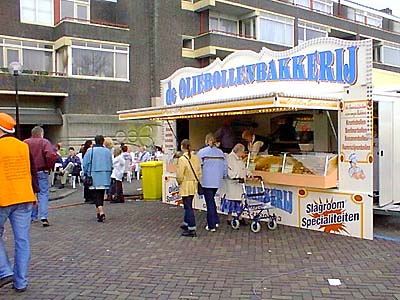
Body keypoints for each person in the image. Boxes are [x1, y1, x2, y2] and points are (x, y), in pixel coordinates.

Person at [0, 113, 38, 292]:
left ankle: (4, 270)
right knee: (22, 240)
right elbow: (33, 171)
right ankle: (20, 282)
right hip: (24, 197)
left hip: (3, 198)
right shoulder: (23, 146)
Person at [24, 126, 56, 227]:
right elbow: (50, 155)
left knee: (31, 194)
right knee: (43, 193)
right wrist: (49, 166)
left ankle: (32, 216)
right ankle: (43, 216)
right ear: (41, 134)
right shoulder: (44, 142)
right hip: (42, 170)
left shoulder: (25, 143)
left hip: (29, 172)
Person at [197, 133, 227, 232]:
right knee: (211, 201)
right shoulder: (221, 153)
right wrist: (224, 176)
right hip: (217, 181)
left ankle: (211, 225)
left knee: (209, 202)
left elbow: (198, 167)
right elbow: (225, 167)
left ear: (206, 141)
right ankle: (216, 220)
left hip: (206, 181)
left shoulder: (202, 152)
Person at [83, 135, 112, 222]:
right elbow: (111, 163)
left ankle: (101, 211)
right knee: (101, 194)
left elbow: (85, 164)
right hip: (105, 175)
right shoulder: (107, 151)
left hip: (93, 175)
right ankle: (99, 213)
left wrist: (85, 173)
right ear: (103, 141)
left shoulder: (90, 151)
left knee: (95, 194)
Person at [176, 139, 201, 238]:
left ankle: (192, 227)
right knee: (189, 204)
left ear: (182, 146)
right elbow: (199, 172)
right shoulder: (195, 158)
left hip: (186, 184)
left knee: (188, 206)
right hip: (193, 183)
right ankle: (186, 223)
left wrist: (179, 182)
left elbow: (179, 175)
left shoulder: (182, 159)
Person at [220, 143, 250, 226]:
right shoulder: (229, 158)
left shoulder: (239, 159)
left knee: (239, 201)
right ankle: (229, 218)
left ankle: (239, 217)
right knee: (231, 201)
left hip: (239, 184)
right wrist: (236, 176)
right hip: (232, 184)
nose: (244, 153)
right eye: (243, 151)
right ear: (239, 151)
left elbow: (243, 168)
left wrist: (248, 173)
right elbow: (229, 171)